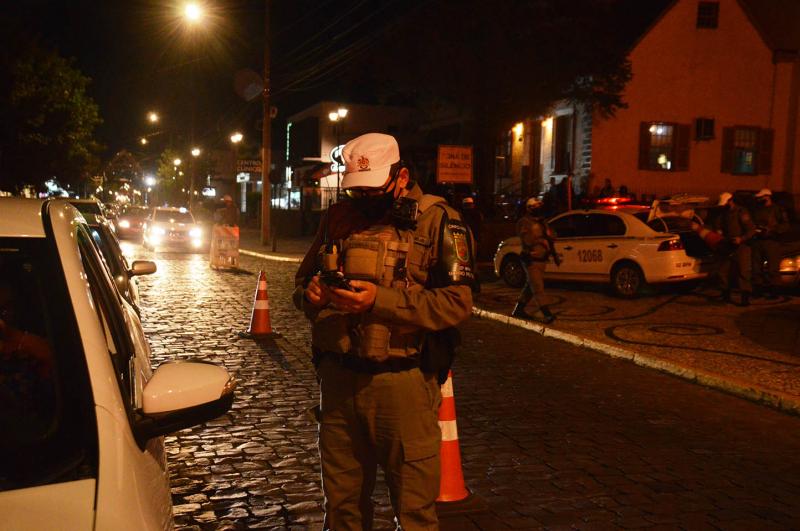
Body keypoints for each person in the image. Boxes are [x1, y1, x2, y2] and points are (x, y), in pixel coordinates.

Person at [293, 133, 475, 529]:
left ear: (402, 175)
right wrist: (312, 294)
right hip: (339, 383)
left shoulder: (438, 220)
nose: (364, 200)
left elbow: (458, 304)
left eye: (373, 189)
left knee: (413, 514)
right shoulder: (338, 218)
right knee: (342, 511)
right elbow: (301, 288)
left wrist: (380, 300)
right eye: (356, 192)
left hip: (403, 384)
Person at [512, 197, 558, 323]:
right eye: (536, 207)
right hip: (531, 258)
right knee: (538, 286)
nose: (539, 209)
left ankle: (518, 310)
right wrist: (541, 239)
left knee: (531, 286)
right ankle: (547, 314)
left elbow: (552, 235)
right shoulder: (524, 222)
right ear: (530, 208)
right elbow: (528, 240)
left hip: (541, 259)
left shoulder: (542, 221)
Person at [712, 192, 757, 306]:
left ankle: (745, 298)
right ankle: (725, 295)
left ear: (730, 201)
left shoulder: (741, 212)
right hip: (728, 245)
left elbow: (751, 230)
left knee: (743, 271)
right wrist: (718, 229)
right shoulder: (724, 213)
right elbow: (718, 223)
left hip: (742, 246)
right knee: (723, 271)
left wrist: (741, 239)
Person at [752, 188, 790, 298]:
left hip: (772, 242)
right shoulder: (757, 210)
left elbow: (785, 225)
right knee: (756, 268)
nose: (759, 199)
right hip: (758, 241)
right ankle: (758, 290)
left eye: (761, 197)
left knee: (773, 268)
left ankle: (774, 291)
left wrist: (772, 230)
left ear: (767, 196)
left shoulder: (778, 209)